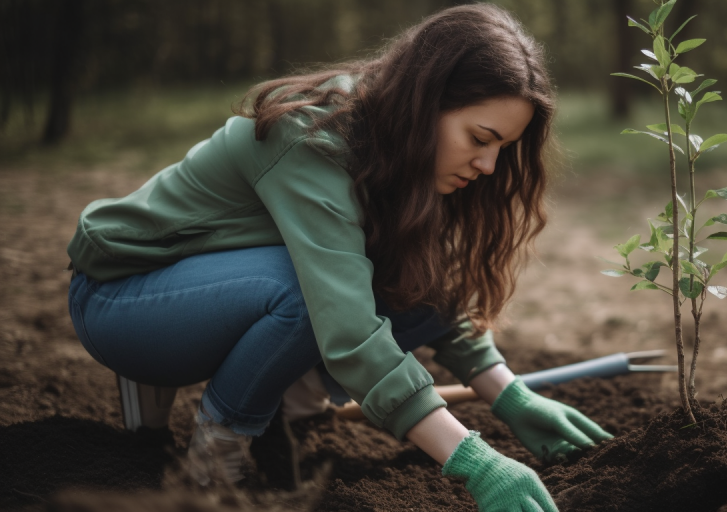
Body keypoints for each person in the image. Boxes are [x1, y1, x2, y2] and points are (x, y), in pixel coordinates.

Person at [65, 4, 612, 510]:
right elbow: (346, 325)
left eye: (502, 148)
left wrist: (510, 396)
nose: (489, 165)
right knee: (308, 293)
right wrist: (474, 460)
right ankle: (216, 454)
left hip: (211, 289)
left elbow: (434, 295)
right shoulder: (313, 137)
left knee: (411, 278)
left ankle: (274, 402)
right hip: (122, 297)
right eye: (479, 138)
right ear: (427, 101)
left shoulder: (401, 153)